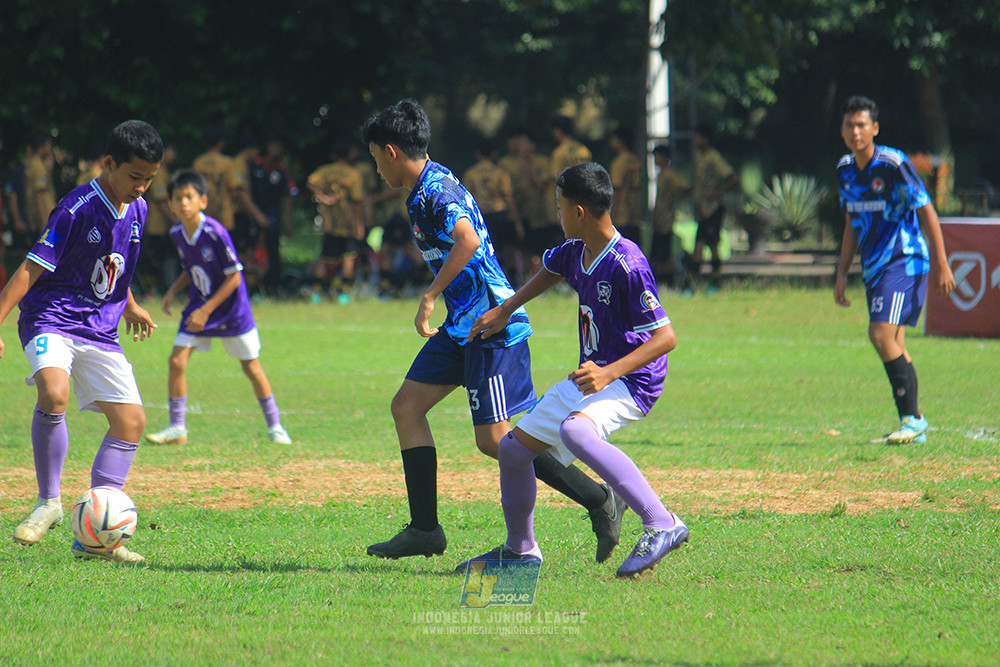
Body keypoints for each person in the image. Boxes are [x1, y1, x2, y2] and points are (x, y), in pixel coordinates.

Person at [361, 99, 625, 562]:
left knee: (497, 440)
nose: (376, 168)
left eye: (375, 158)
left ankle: (599, 499)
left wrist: (430, 294)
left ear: (390, 151)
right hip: (464, 324)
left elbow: (467, 240)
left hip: (492, 323)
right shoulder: (426, 186)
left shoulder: (437, 191)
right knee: (407, 407)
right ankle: (425, 529)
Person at [458, 162, 688, 578]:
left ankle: (662, 522)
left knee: (575, 431)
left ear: (579, 212)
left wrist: (608, 373)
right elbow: (551, 270)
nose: (556, 212)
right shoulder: (576, 250)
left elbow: (665, 338)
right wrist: (505, 309)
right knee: (512, 450)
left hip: (631, 381)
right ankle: (521, 550)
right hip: (591, 376)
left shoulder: (627, 264)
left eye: (560, 205)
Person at [0, 120, 164, 563]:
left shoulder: (139, 210)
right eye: (134, 177)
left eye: (149, 179)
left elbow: (114, 266)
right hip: (51, 317)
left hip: (100, 328)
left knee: (130, 424)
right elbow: (32, 268)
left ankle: (95, 539)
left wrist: (128, 304)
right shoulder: (77, 208)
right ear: (108, 164)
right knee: (54, 393)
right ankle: (48, 503)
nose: (141, 187)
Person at [834, 95, 955, 444]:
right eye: (849, 125)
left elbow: (925, 208)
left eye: (861, 125)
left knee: (880, 335)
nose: (855, 131)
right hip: (874, 268)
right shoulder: (844, 168)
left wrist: (943, 262)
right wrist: (843, 272)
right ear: (842, 130)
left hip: (904, 260)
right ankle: (913, 424)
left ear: (874, 128)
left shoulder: (893, 163)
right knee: (895, 341)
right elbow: (850, 222)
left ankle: (912, 420)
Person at [145, 169, 292, 446]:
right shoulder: (177, 233)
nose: (183, 203)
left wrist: (205, 310)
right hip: (199, 305)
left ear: (203, 201)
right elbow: (192, 268)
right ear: (172, 204)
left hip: (231, 309)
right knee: (176, 361)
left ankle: (275, 427)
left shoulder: (215, 232)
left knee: (251, 368)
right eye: (177, 198)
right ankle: (177, 427)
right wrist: (172, 291)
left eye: (189, 197)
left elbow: (234, 276)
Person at [307, 138, 365, 303]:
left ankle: (316, 293)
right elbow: (357, 203)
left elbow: (310, 182)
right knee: (349, 258)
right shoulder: (353, 174)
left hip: (330, 224)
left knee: (325, 258)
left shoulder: (326, 171)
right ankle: (343, 293)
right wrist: (359, 226)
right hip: (348, 224)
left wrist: (322, 197)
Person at [463, 141, 524, 284]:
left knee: (485, 249)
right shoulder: (500, 172)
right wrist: (517, 221)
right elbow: (508, 197)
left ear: (478, 154)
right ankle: (507, 279)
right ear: (494, 154)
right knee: (503, 248)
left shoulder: (471, 173)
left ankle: (487, 280)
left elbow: (465, 197)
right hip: (499, 214)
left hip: (481, 215)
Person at [689, 124, 738, 289]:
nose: (694, 140)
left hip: (713, 208)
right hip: (703, 208)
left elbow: (732, 177)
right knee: (705, 242)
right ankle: (704, 280)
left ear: (706, 138)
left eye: (697, 137)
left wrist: (718, 191)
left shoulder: (713, 157)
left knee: (707, 243)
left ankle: (708, 280)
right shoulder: (699, 156)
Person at [250, 138, 298, 297]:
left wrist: (288, 221)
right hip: (253, 217)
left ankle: (273, 287)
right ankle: (253, 287)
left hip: (273, 218)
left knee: (273, 253)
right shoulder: (255, 165)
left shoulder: (282, 171)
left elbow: (289, 197)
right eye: (274, 145)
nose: (276, 150)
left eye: (279, 147)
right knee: (251, 251)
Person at [651, 142, 691, 286]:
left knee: (663, 251)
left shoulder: (669, 174)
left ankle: (668, 280)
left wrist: (674, 198)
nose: (655, 160)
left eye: (657, 157)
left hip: (666, 219)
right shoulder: (661, 174)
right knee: (657, 251)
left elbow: (686, 187)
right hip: (659, 217)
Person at [608, 127, 643, 246]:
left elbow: (617, 190)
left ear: (619, 141)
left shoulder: (619, 163)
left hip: (622, 215)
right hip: (635, 214)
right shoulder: (635, 160)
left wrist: (610, 215)